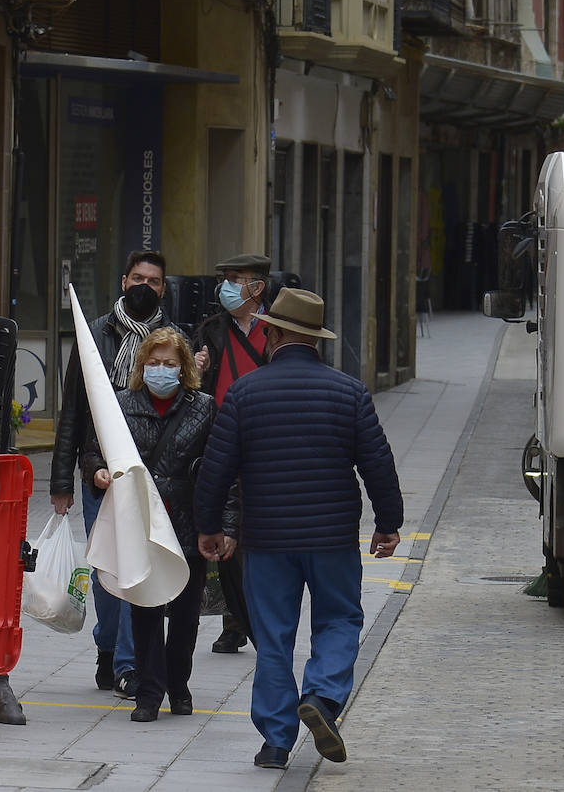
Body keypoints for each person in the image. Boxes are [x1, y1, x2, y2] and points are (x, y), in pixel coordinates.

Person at [194, 288, 404, 770]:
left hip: (267, 540)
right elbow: (378, 463)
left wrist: (210, 527)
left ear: (274, 333)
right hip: (331, 539)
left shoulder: (245, 393)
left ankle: (275, 742)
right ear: (314, 339)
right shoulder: (349, 392)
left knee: (273, 637)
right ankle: (324, 698)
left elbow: (216, 468)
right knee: (339, 620)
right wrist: (388, 523)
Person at [83, 328, 234, 722]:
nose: (161, 370)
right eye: (154, 363)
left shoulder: (203, 407)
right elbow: (94, 451)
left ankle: (178, 685)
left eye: (169, 364)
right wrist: (97, 472)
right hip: (141, 523)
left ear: (184, 368)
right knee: (145, 611)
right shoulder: (121, 405)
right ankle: (148, 693)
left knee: (185, 615)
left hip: (188, 522)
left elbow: (220, 468)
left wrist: (222, 524)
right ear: (141, 365)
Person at [50, 249, 177, 700]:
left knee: (136, 571)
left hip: (149, 476)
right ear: (124, 281)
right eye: (138, 278)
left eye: (155, 281)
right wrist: (61, 481)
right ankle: (108, 648)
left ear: (164, 288)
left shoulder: (173, 340)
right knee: (107, 571)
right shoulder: (95, 336)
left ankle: (128, 664)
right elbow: (73, 410)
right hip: (97, 470)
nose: (146, 286)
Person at [192, 252, 271, 654]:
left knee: (256, 532)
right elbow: (192, 387)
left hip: (266, 445)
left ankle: (254, 615)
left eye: (236, 278)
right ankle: (234, 620)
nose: (227, 285)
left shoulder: (278, 331)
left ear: (256, 287)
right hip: (222, 440)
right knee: (225, 531)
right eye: (225, 277)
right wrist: (197, 369)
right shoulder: (210, 330)